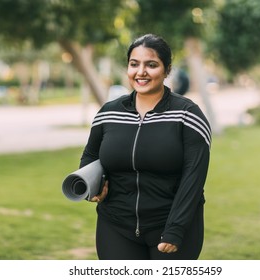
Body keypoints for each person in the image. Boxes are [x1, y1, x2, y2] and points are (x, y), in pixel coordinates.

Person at [79, 34, 211, 260]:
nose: (141, 72)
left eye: (151, 65)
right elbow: (91, 154)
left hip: (170, 226)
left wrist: (175, 229)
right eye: (134, 64)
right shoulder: (109, 113)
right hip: (116, 225)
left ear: (167, 70)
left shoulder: (188, 115)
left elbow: (194, 178)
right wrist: (91, 186)